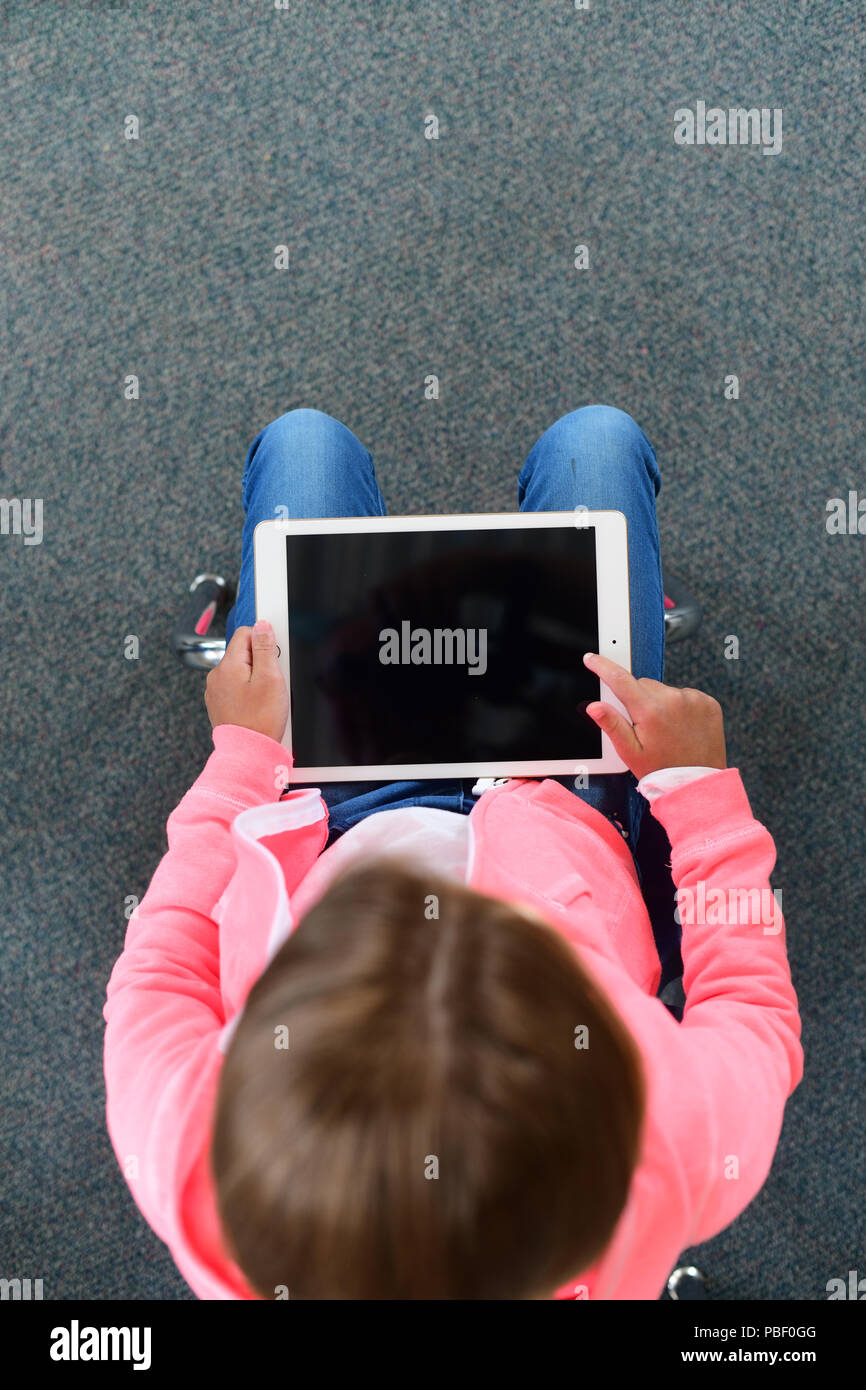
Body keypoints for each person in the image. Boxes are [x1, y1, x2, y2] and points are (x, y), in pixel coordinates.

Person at [103, 406, 803, 1299]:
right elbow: (748, 1000)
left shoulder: (190, 1152)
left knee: (304, 445)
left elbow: (162, 968)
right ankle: (624, 597)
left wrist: (241, 764)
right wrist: (701, 804)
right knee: (597, 445)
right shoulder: (666, 1141)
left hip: (330, 817)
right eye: (522, 948)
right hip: (571, 814)